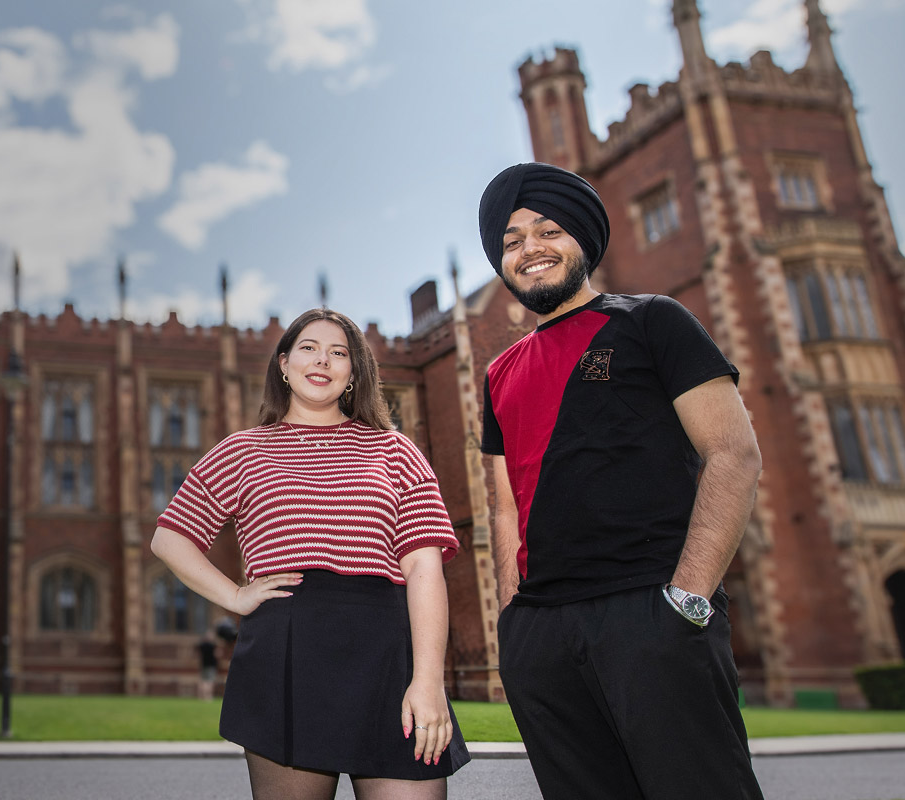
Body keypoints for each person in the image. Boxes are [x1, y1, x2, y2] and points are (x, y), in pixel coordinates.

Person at [476, 162, 766, 799]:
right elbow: (503, 508)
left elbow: (734, 454)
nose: (531, 250)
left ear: (583, 237)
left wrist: (688, 600)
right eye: (512, 240)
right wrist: (513, 626)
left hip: (652, 606)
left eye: (548, 230)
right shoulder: (498, 372)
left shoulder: (652, 320)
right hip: (544, 633)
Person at [151, 308, 468, 800]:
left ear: (353, 372)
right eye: (308, 348)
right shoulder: (244, 451)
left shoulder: (395, 451)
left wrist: (428, 681)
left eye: (338, 352)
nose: (323, 360)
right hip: (286, 651)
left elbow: (424, 568)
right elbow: (169, 537)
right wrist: (234, 595)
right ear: (283, 364)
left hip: (388, 654)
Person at [196, 630, 220, 701]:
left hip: (203, 665)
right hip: (211, 665)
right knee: (210, 682)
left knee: (203, 681)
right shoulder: (213, 646)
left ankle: (201, 696)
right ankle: (208, 696)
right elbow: (217, 654)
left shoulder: (202, 645)